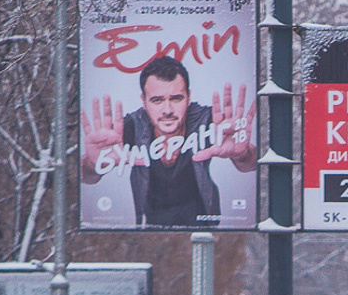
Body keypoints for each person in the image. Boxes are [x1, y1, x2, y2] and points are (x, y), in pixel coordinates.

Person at [80, 55, 257, 228]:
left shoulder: (209, 121)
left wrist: (242, 155)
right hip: (150, 231)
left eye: (176, 98)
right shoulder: (130, 127)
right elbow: (85, 176)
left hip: (203, 227)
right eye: (157, 100)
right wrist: (93, 164)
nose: (167, 110)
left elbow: (250, 164)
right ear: (144, 101)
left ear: (188, 97)